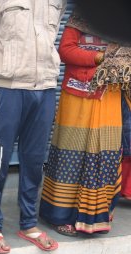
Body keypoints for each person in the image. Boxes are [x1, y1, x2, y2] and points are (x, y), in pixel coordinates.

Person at [0, 0, 66, 254]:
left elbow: (51, 36)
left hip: (45, 89)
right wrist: (2, 69)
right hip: (9, 90)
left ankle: (29, 224)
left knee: (34, 160)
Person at [39, 12, 131, 235]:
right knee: (71, 155)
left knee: (106, 154)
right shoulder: (81, 17)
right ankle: (59, 216)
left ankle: (97, 215)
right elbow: (65, 50)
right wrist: (101, 57)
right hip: (79, 96)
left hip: (111, 97)